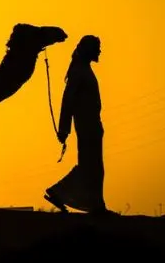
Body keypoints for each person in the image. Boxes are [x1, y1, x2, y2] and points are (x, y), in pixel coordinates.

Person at [45, 35, 110, 214]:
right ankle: (61, 192)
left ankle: (96, 204)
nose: (99, 51)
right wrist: (63, 129)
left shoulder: (83, 70)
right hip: (87, 126)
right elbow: (68, 101)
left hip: (92, 125)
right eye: (97, 47)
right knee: (92, 166)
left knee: (93, 166)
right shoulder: (79, 71)